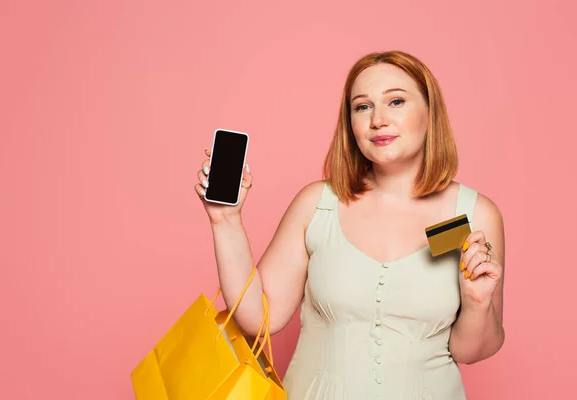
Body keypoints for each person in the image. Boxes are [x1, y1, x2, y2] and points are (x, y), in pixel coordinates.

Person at [194, 50, 505, 399]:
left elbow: (471, 350)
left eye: (396, 101)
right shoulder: (317, 205)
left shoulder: (473, 217)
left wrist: (478, 303)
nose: (378, 120)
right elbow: (258, 318)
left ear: (431, 112)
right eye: (362, 107)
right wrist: (225, 220)